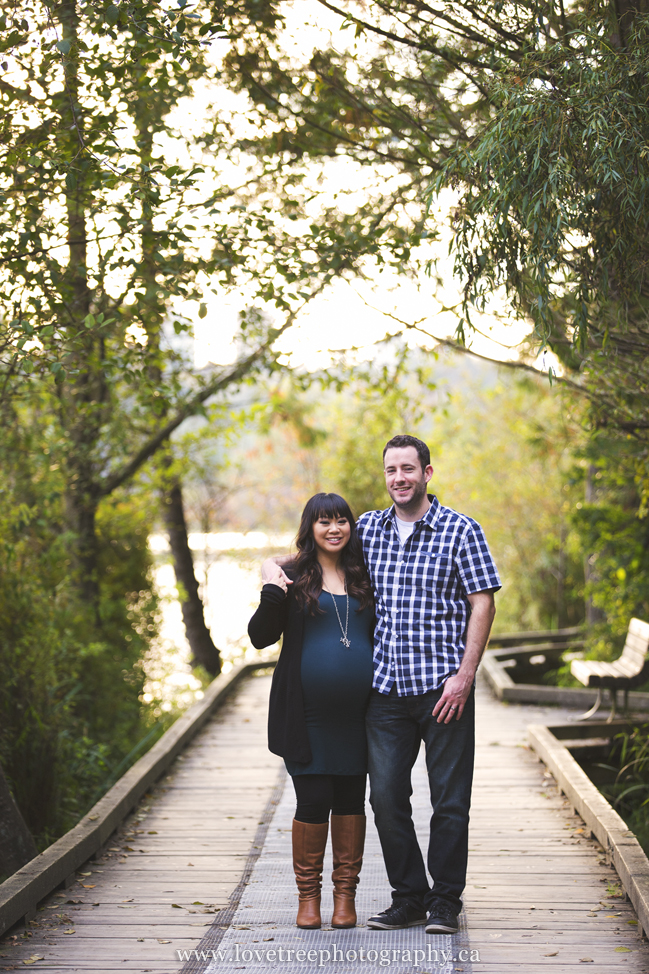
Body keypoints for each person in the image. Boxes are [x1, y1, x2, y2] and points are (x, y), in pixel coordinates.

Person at [264, 435, 500, 936]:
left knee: (450, 802)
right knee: (386, 800)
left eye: (408, 469)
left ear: (427, 473)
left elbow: (483, 602)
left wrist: (465, 675)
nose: (399, 478)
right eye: (391, 470)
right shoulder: (367, 529)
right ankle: (408, 897)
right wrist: (268, 568)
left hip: (444, 693)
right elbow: (311, 556)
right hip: (386, 694)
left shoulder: (462, 531)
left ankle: (444, 902)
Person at [248, 492, 374, 931]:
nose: (334, 528)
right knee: (314, 799)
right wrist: (271, 584)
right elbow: (260, 637)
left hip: (359, 718)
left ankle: (345, 898)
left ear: (350, 527)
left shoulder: (365, 574)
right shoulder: (294, 576)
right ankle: (308, 897)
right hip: (306, 715)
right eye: (324, 522)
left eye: (342, 520)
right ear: (311, 527)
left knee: (351, 801)